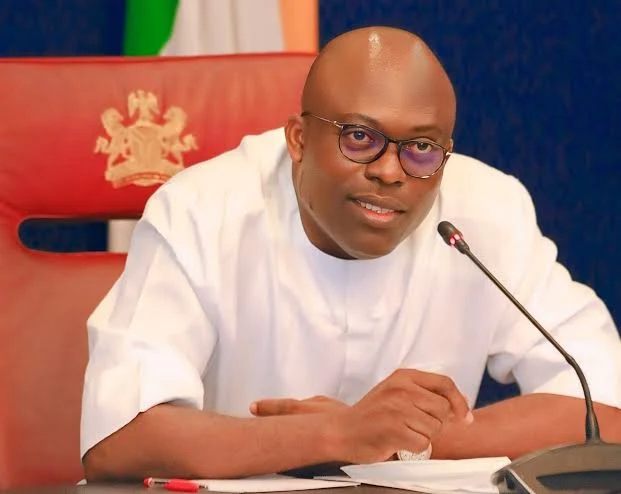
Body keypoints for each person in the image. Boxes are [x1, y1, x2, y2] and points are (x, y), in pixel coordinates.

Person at [81, 26, 621, 481]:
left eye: (422, 148)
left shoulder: (486, 213)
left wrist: (408, 439)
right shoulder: (203, 210)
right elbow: (120, 437)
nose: (389, 171)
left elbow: (607, 411)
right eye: (359, 138)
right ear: (298, 138)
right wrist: (335, 433)